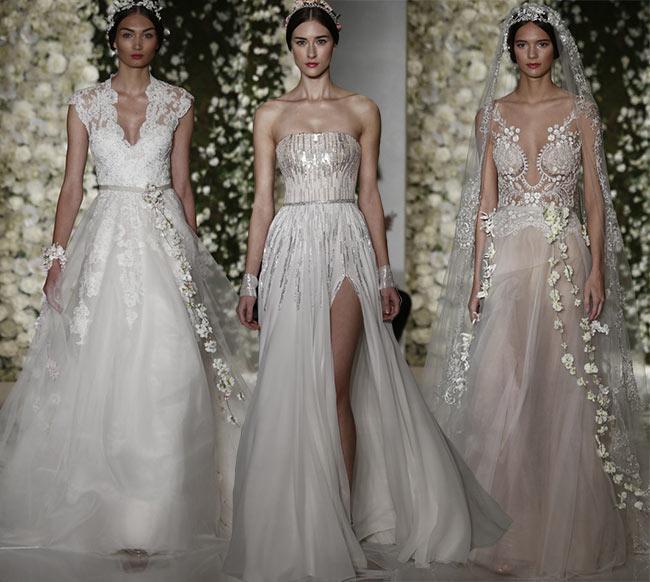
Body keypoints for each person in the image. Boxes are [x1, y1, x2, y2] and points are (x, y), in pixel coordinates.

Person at [223, 2, 510, 581]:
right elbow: (262, 202)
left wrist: (384, 273)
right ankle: (296, 518)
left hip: (347, 242)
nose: (310, 52)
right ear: (290, 46)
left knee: (334, 385)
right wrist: (251, 278)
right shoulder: (270, 114)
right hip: (290, 247)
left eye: (319, 40)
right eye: (300, 41)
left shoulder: (361, 109)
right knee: (291, 383)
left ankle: (343, 520)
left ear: (335, 42)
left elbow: (371, 196)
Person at [0, 0, 252, 556]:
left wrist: (191, 255)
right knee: (104, 365)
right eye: (128, 34)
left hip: (163, 238)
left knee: (169, 366)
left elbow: (182, 185)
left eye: (147, 34)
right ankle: (106, 508)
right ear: (113, 39)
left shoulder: (178, 102)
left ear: (159, 40)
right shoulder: (85, 103)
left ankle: (154, 513)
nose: (137, 44)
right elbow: (72, 186)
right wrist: (57, 258)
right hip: (106, 239)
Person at [424, 3, 648, 578]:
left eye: (540, 44)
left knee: (559, 388)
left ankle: (562, 530)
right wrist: (478, 277)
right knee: (499, 387)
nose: (531, 54)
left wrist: (597, 270)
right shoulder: (491, 114)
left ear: (555, 49)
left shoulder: (579, 111)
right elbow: (485, 202)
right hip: (506, 260)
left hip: (562, 257)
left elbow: (594, 197)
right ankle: (504, 532)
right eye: (522, 44)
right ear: (511, 50)